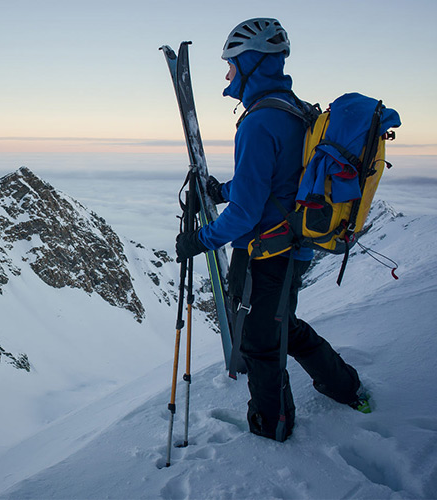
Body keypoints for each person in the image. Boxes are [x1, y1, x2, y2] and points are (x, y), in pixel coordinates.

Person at [174, 18, 368, 442]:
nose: (227, 74)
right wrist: (219, 191)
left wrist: (199, 240)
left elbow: (246, 214)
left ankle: (271, 427)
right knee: (282, 326)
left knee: (261, 343)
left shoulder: (259, 122)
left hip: (267, 255)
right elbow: (275, 183)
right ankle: (346, 386)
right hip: (293, 248)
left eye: (231, 64)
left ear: (251, 62)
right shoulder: (294, 109)